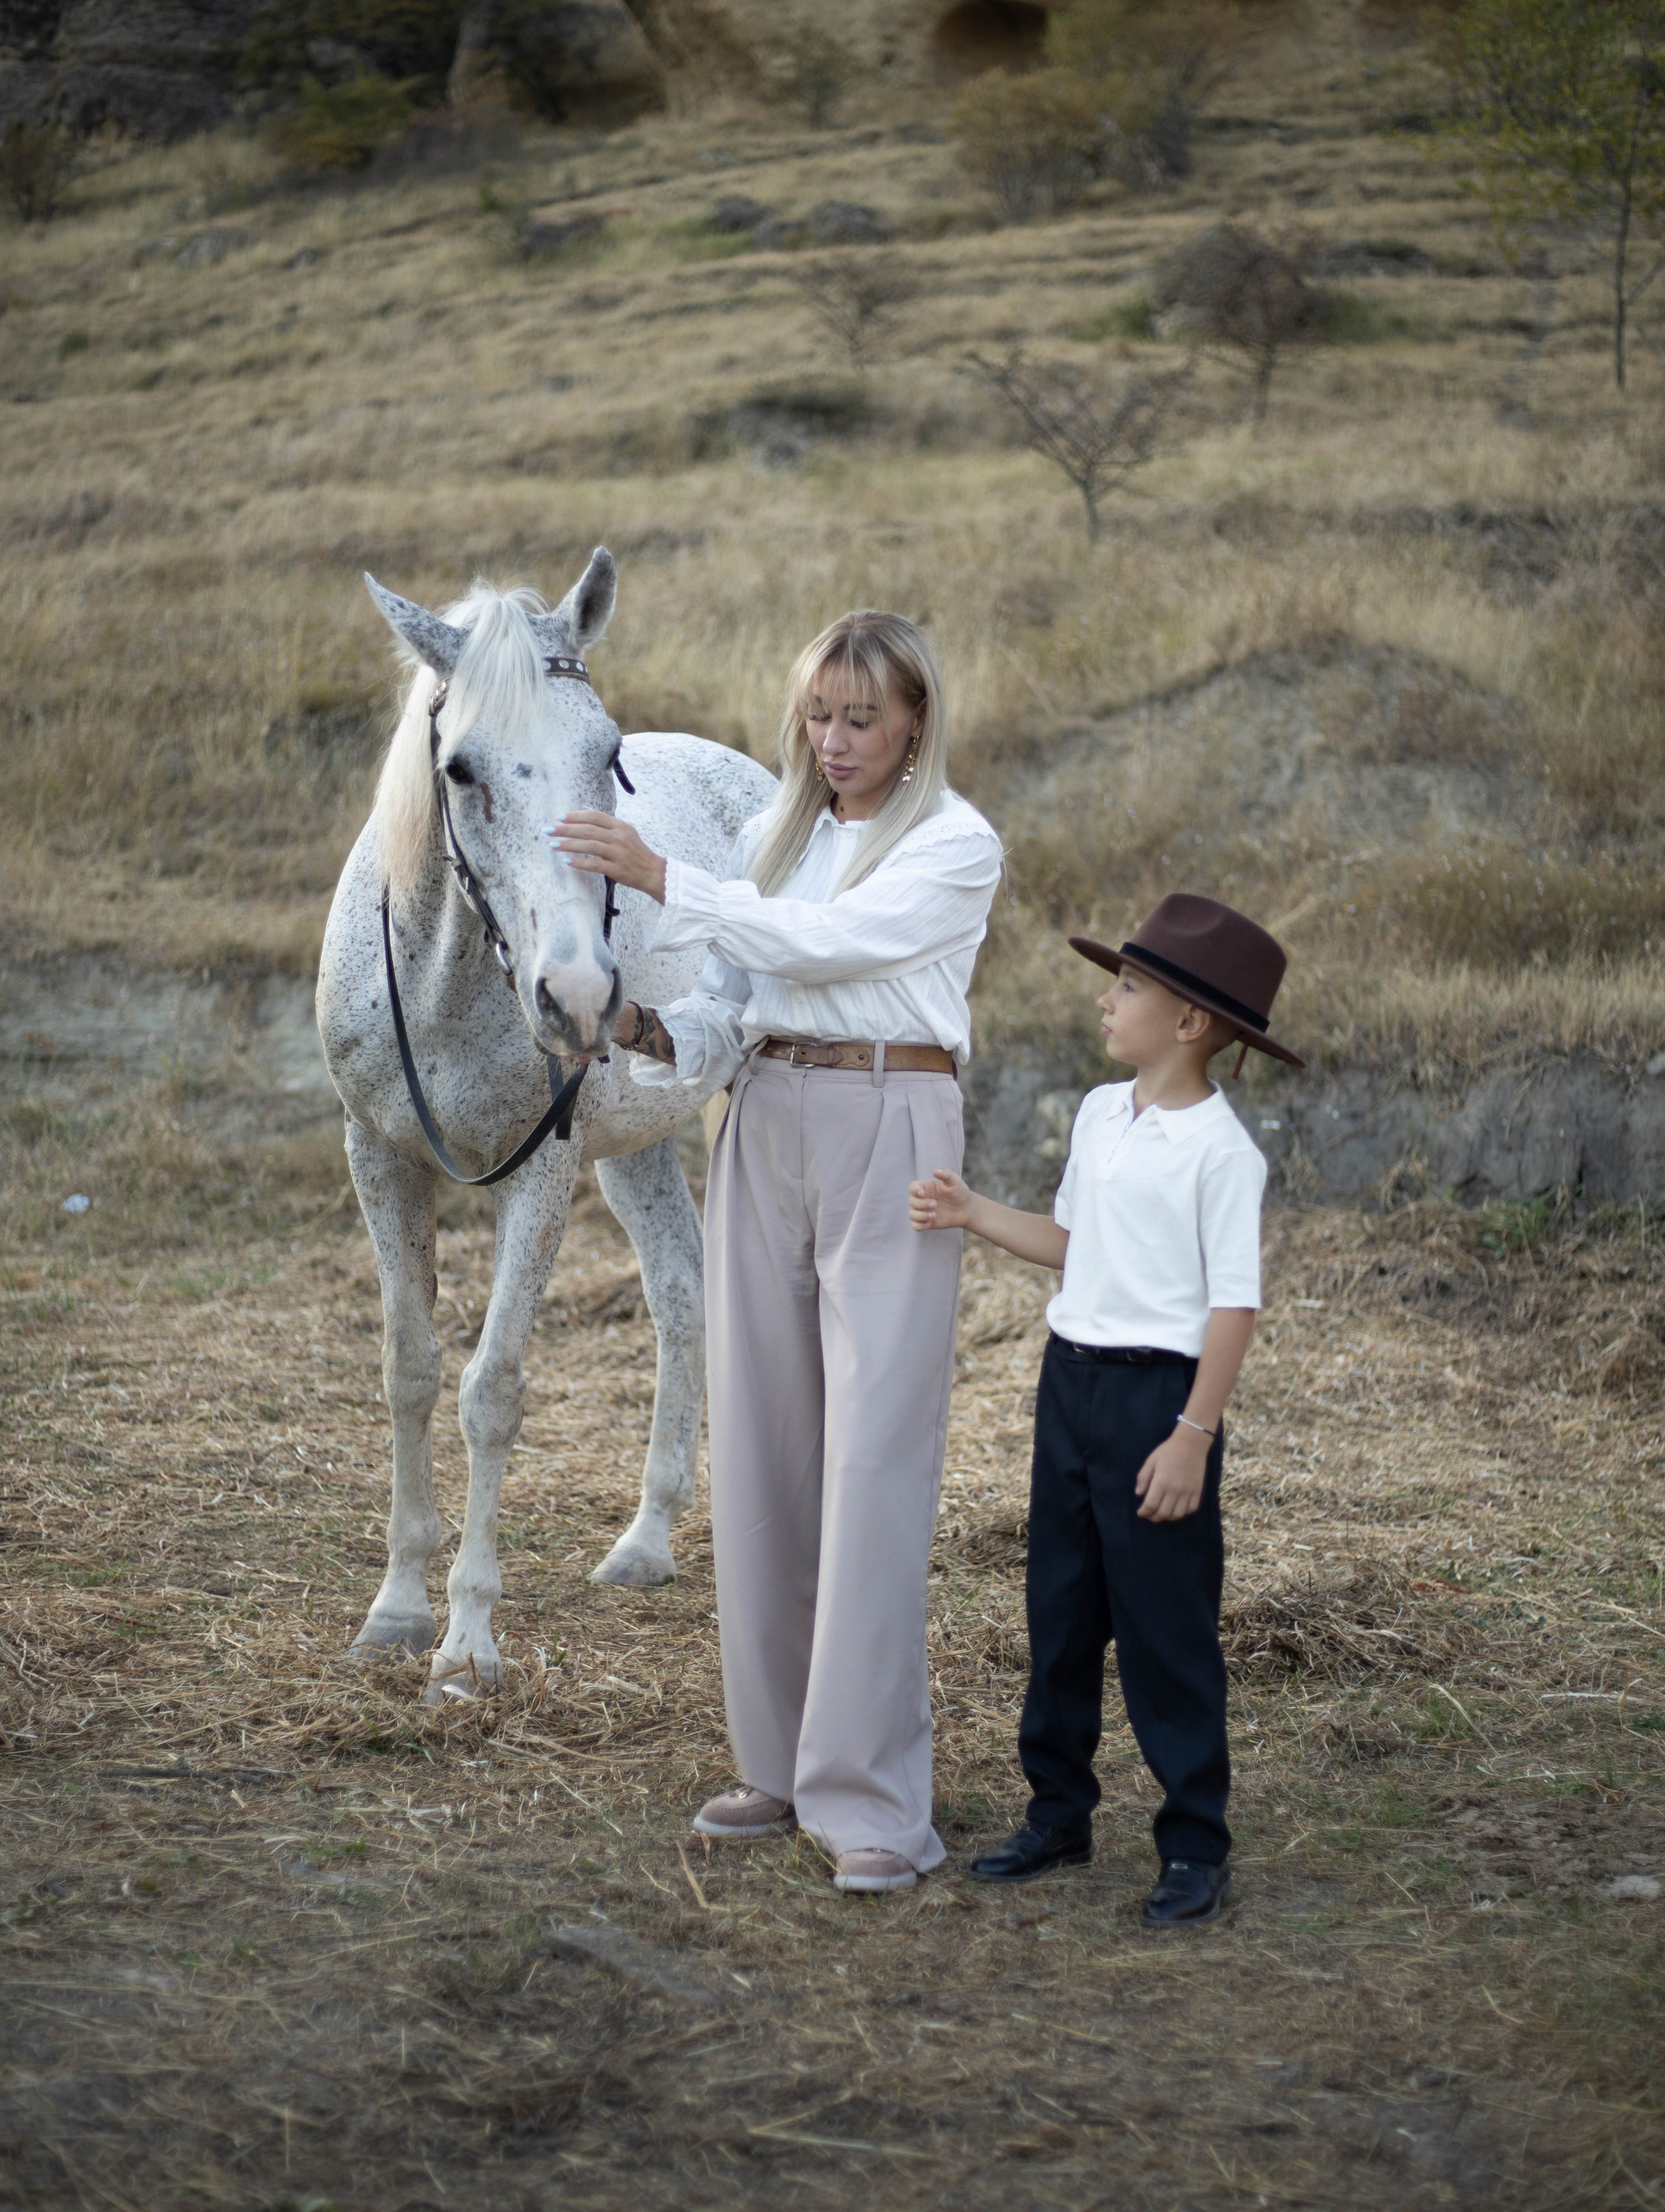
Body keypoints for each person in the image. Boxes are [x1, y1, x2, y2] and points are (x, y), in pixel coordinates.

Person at [553, 611, 1002, 1894]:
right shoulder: (774, 838)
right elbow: (731, 1007)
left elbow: (832, 947)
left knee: (872, 1457)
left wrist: (663, 877)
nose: (834, 741)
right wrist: (637, 1026)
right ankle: (778, 1761)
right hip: (761, 1121)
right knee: (760, 1444)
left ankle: (873, 1801)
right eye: (818, 715)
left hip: (890, 1120)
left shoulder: (955, 842)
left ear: (914, 720)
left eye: (862, 718)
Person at [909, 894, 1303, 1925]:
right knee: (1062, 1607)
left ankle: (1195, 1842)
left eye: (1128, 987)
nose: (1107, 1000)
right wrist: (971, 1212)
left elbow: (1234, 1307)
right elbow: (1075, 1242)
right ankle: (1058, 1813)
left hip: (1159, 1401)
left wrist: (1192, 1436)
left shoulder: (1222, 1152)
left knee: (1166, 1627)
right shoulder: (1099, 1112)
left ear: (1190, 1021)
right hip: (1071, 1384)